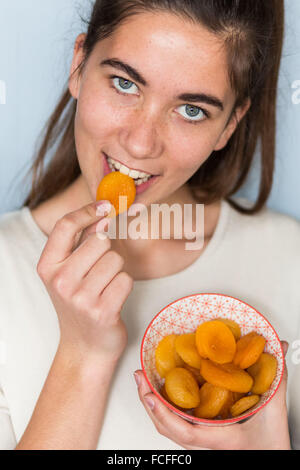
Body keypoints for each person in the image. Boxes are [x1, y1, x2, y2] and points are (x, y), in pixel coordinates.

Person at [0, 0, 298, 450]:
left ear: (229, 126)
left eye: (192, 110)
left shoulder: (288, 257)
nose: (140, 144)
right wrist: (83, 355)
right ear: (79, 64)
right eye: (124, 84)